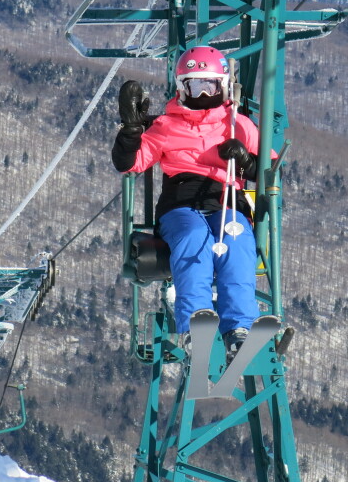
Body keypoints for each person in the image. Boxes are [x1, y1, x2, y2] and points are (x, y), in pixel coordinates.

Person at [111, 45, 263, 356]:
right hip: (181, 204)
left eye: (210, 86)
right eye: (195, 86)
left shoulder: (237, 124)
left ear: (223, 86)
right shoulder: (167, 126)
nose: (203, 94)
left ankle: (239, 327)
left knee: (236, 240)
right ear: (182, 88)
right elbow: (130, 164)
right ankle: (196, 323)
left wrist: (246, 163)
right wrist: (131, 130)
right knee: (193, 237)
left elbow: (270, 172)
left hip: (226, 200)